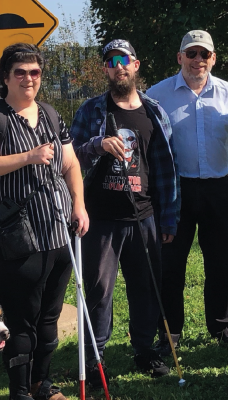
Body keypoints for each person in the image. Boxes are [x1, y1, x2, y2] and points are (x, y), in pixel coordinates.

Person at [0, 42, 86, 400]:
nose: (28, 79)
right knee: (19, 323)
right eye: (20, 72)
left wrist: (79, 204)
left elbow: (71, 163)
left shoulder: (49, 114)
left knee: (49, 321)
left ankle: (41, 384)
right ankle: (19, 392)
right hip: (18, 238)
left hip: (59, 233)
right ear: (5, 77)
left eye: (35, 72)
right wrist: (28, 156)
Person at [70, 39, 180, 382]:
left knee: (145, 286)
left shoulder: (155, 111)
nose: (118, 66)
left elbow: (166, 168)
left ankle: (145, 351)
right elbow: (70, 159)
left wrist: (169, 216)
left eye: (124, 59)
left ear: (136, 64)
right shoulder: (91, 110)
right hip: (100, 217)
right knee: (99, 290)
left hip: (145, 215)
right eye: (111, 61)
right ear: (106, 69)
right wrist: (97, 144)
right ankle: (95, 354)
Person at [145, 29, 228, 354]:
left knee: (223, 261)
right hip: (176, 191)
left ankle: (224, 329)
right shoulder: (157, 95)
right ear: (180, 57)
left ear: (213, 58)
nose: (198, 60)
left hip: (219, 188)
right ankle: (169, 333)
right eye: (192, 53)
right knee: (170, 263)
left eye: (204, 54)